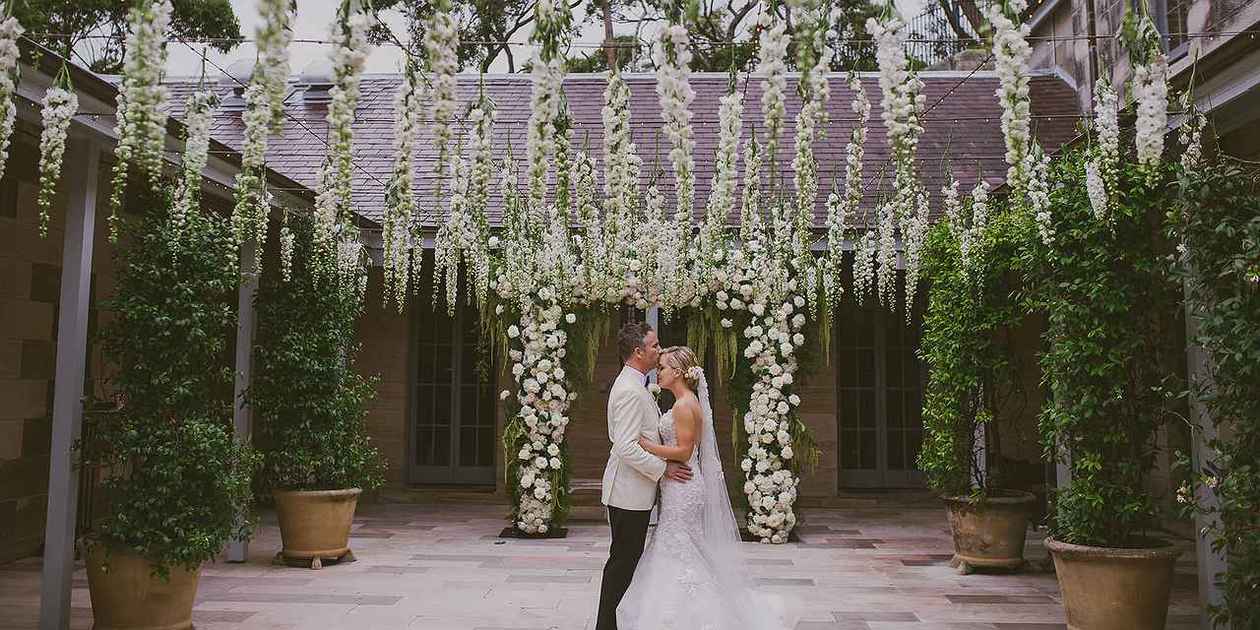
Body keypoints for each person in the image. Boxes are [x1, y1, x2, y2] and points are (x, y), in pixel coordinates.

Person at [615, 345, 794, 630]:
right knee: (685, 545)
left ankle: (695, 615)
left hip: (683, 487)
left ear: (677, 372)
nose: (658, 372)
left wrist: (646, 445)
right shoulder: (682, 402)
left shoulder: (684, 406)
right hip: (679, 485)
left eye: (663, 368)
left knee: (679, 544)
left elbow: (685, 451)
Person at [595, 322, 692, 630]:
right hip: (627, 492)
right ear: (638, 352)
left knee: (626, 560)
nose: (659, 350)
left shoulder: (637, 384)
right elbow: (624, 446)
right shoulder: (628, 390)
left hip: (635, 490)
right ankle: (606, 625)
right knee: (623, 562)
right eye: (654, 345)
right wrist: (664, 469)